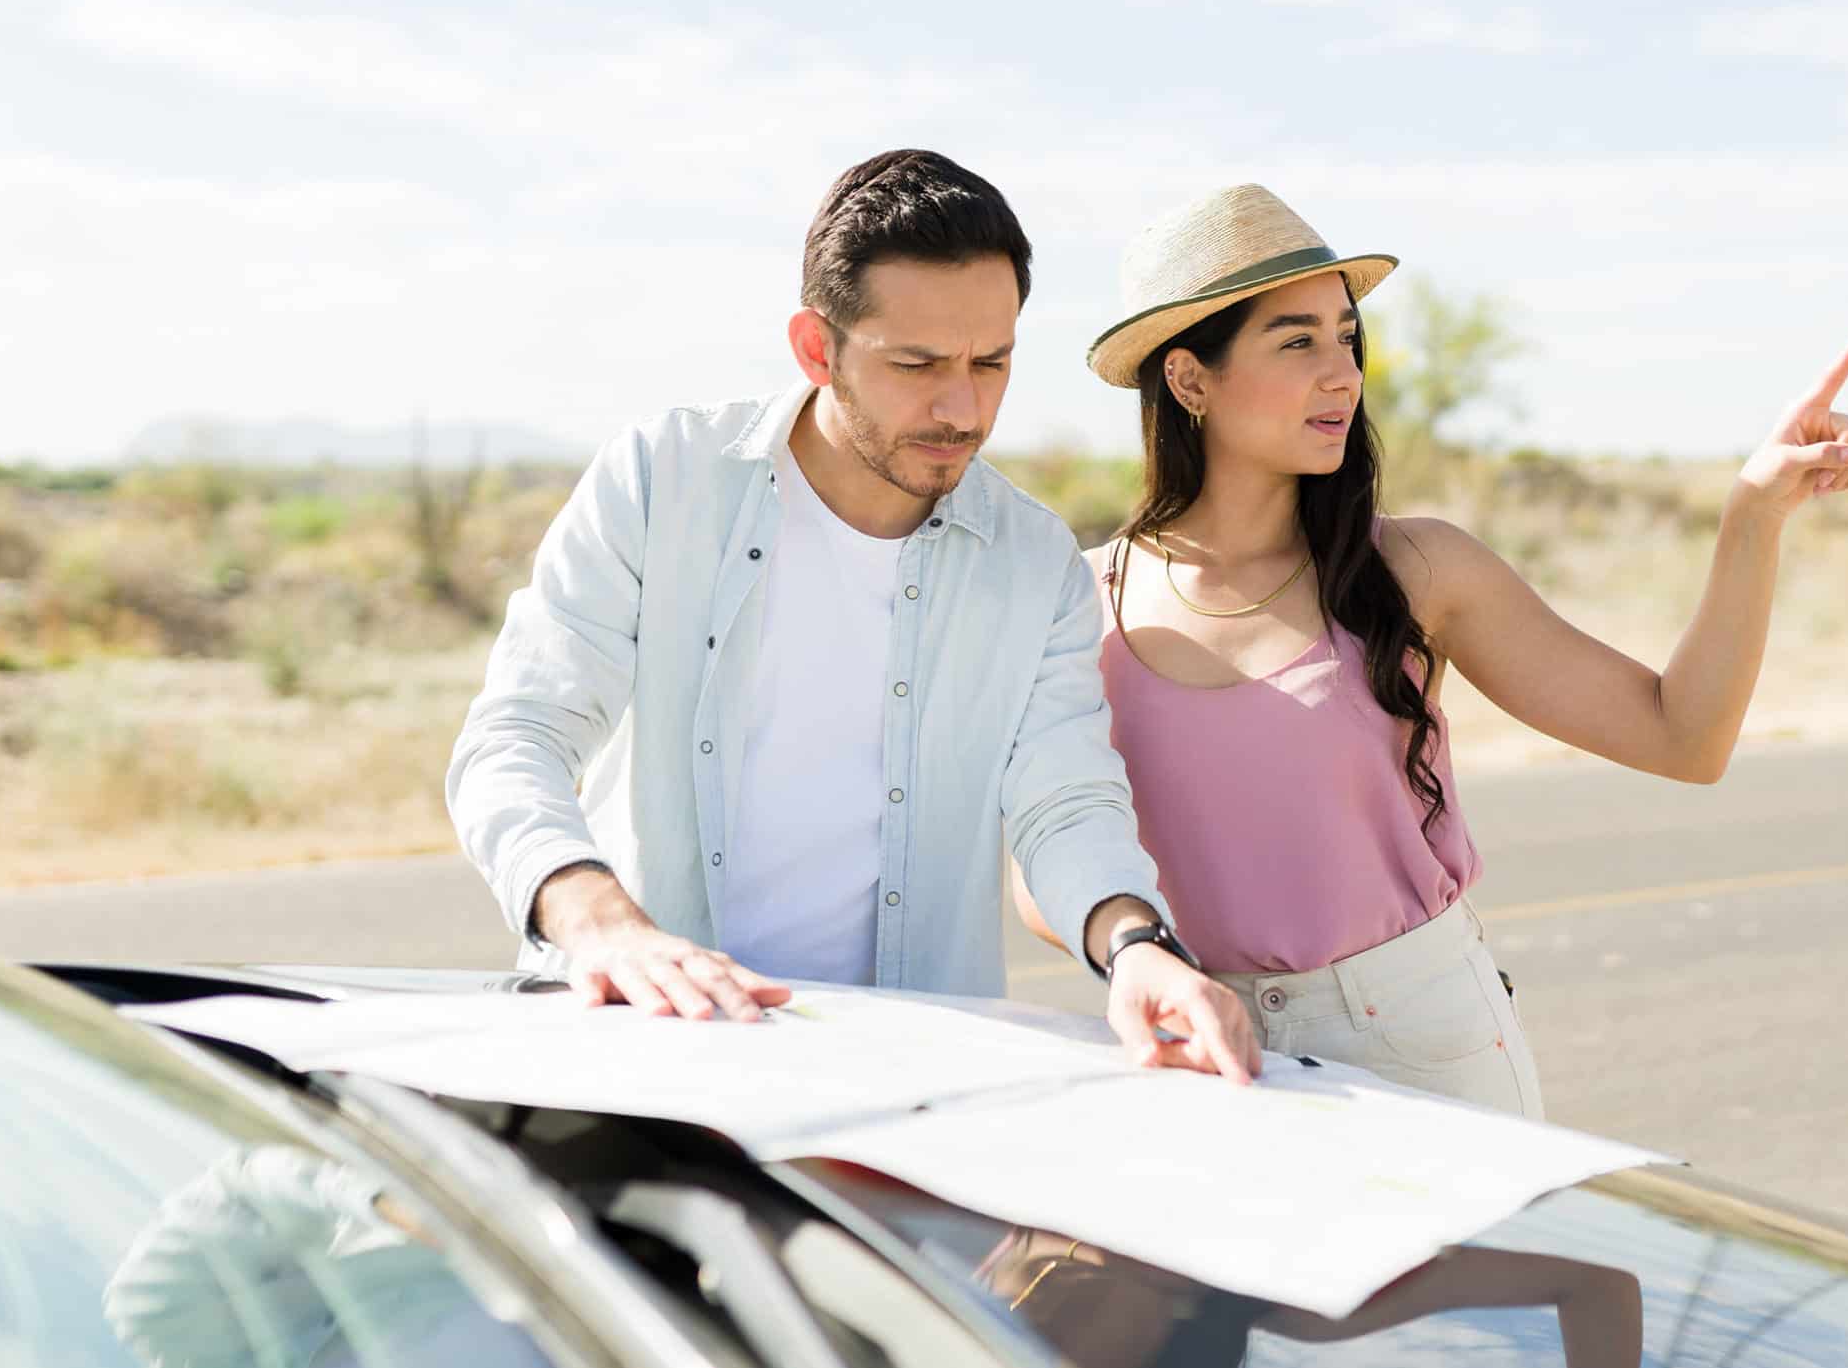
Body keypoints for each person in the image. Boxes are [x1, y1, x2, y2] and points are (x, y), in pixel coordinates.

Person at [1022, 184, 1848, 1113]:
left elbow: (1684, 736)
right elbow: (1039, 875)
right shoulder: (1085, 600)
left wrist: (1753, 516)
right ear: (1189, 379)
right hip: (1205, 1057)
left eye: (1346, 338)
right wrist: (1148, 957)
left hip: (1421, 1045)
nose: (1342, 373)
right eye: (1296, 341)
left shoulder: (1416, 568)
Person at [447, 149, 1259, 1081]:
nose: (963, 406)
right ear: (815, 347)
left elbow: (1065, 799)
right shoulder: (660, 480)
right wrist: (597, 921)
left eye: (991, 362)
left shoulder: (1036, 563)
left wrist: (1137, 947)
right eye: (915, 364)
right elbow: (513, 738)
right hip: (644, 1055)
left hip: (904, 1083)